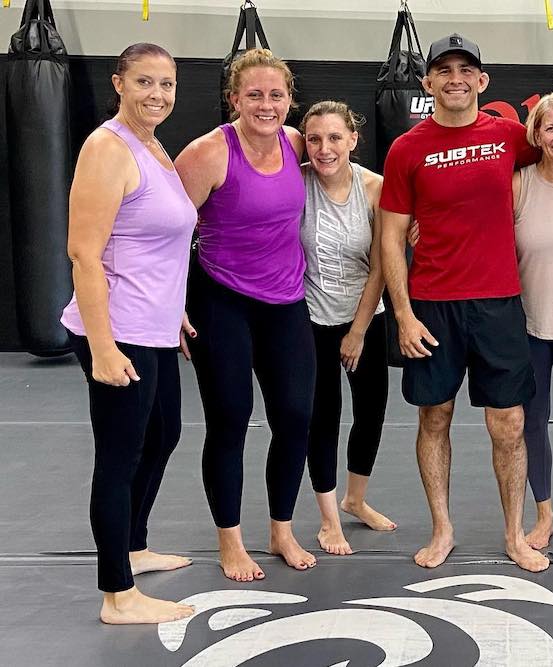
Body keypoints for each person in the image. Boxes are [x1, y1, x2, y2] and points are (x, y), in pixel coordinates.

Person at [409, 93, 553, 550]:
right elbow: (474, 221)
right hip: (526, 328)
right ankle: (543, 516)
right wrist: (430, 224)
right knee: (532, 425)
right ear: (535, 135)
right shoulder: (517, 184)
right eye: (550, 128)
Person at [379, 33, 549, 572]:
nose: (456, 79)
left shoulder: (508, 135)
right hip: (432, 304)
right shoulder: (406, 148)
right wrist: (403, 314)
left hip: (498, 303)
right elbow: (391, 237)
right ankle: (442, 529)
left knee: (510, 423)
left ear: (482, 80)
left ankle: (514, 534)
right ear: (427, 82)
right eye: (444, 70)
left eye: (465, 69)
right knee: (435, 417)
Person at [61, 43, 197, 623]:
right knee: (119, 457)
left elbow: (155, 243)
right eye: (144, 82)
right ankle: (117, 595)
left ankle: (134, 547)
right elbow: (84, 254)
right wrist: (102, 346)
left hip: (156, 326)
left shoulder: (154, 146)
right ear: (118, 83)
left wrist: (176, 308)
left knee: (163, 434)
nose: (157, 95)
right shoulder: (107, 148)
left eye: (166, 84)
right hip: (120, 330)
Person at [175, 48, 317, 582]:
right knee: (230, 419)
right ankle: (230, 541)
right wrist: (173, 304)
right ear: (234, 98)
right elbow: (167, 231)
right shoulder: (208, 153)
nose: (266, 104)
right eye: (254, 94)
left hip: (286, 301)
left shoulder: (296, 143)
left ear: (289, 99)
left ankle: (282, 529)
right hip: (222, 300)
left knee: (296, 418)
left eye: (276, 95)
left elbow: (346, 176)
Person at [299, 100, 395, 556]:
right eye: (314, 139)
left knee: (371, 410)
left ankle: (355, 499)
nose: (325, 148)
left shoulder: (374, 187)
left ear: (353, 140)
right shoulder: (295, 182)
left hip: (365, 315)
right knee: (323, 416)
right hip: (310, 318)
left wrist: (357, 331)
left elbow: (381, 265)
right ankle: (328, 519)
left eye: (335, 137)